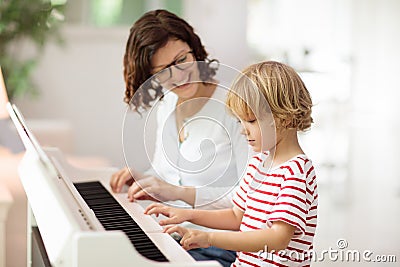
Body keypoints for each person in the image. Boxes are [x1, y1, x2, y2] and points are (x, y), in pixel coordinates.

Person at [145, 61, 318, 267]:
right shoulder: (258, 163)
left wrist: (209, 239)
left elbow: (277, 239)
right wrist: (188, 215)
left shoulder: (296, 171)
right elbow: (237, 216)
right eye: (239, 121)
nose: (243, 130)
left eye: (251, 121)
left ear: (286, 118)